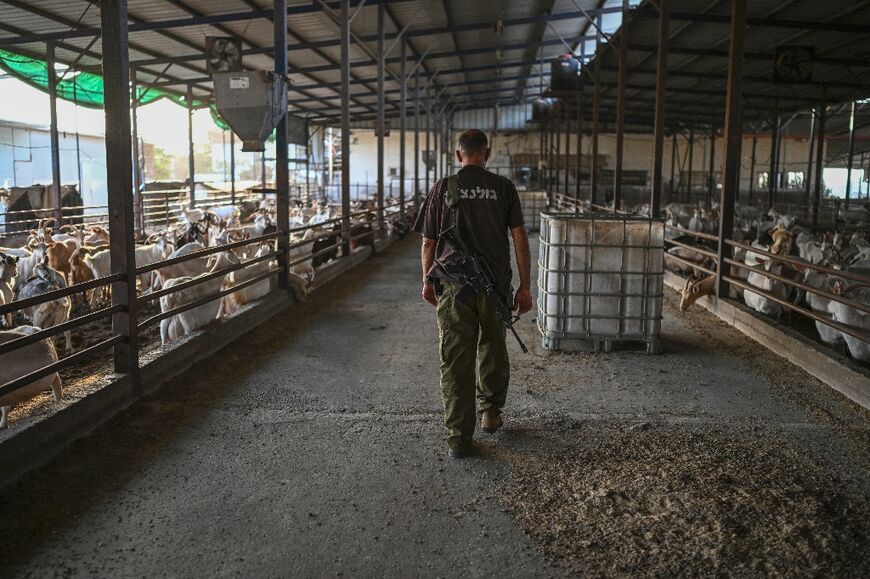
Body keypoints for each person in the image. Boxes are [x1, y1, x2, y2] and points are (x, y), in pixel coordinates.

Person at [413, 129, 532, 459]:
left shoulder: (443, 187)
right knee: (493, 348)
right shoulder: (503, 188)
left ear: (457, 155)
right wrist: (525, 285)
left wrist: (426, 280)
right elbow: (520, 239)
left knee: (455, 361)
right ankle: (490, 414)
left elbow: (428, 242)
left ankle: (458, 439)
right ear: (487, 153)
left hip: (454, 288)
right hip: (496, 285)